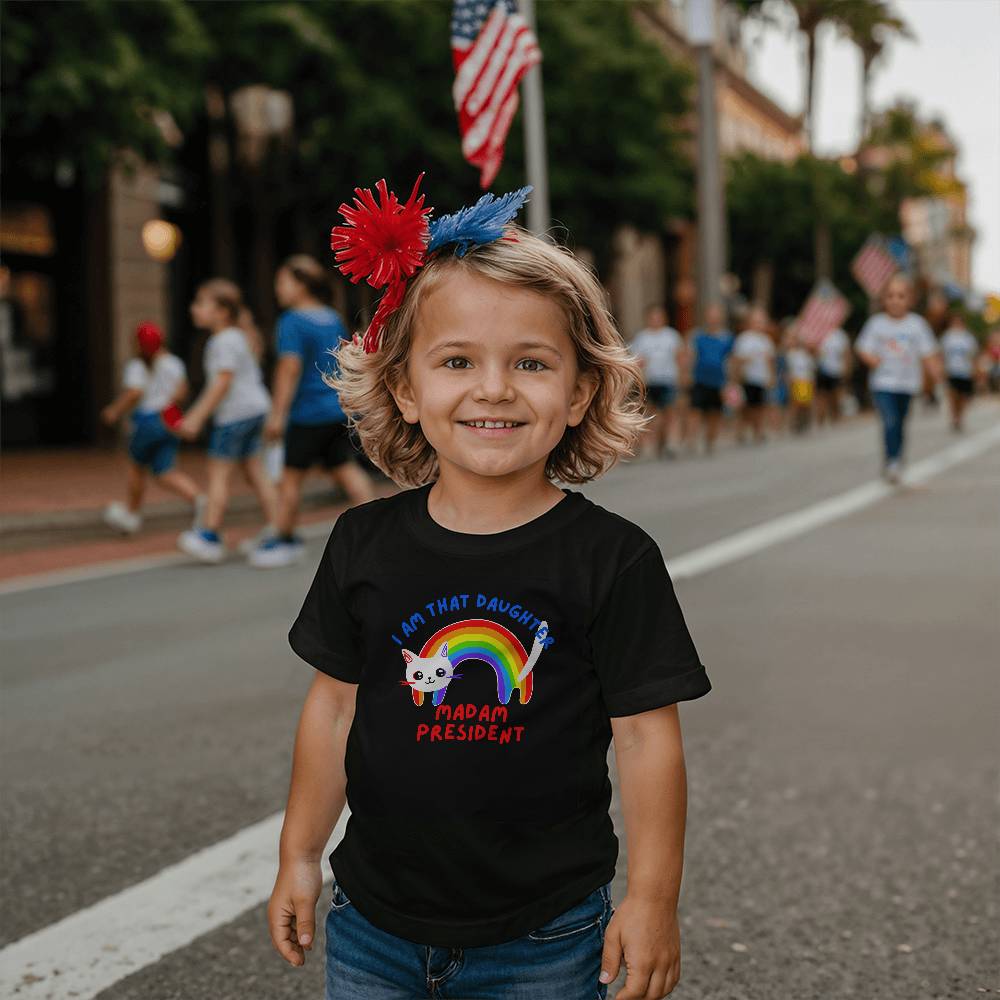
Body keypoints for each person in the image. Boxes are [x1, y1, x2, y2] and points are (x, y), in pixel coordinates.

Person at [266, 179, 712, 1000]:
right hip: (373, 924)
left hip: (543, 932)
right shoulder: (363, 542)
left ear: (580, 392)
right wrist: (299, 854)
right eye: (458, 361)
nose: (495, 388)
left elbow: (649, 742)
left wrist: (652, 901)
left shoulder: (613, 559)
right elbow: (333, 708)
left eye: (532, 363)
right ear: (405, 386)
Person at [250, 256, 377, 568]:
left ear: (301, 285)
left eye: (282, 282)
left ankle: (283, 538)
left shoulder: (292, 321)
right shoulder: (331, 318)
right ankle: (380, 530)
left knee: (290, 479)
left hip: (306, 414)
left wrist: (278, 414)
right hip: (335, 409)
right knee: (346, 471)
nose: (278, 289)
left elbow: (289, 368)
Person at [176, 279, 277, 562]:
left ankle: (209, 534)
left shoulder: (223, 341)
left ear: (221, 311)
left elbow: (222, 382)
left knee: (218, 474)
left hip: (235, 415)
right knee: (255, 471)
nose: (193, 309)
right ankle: (277, 528)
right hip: (254, 409)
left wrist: (195, 417)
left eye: (200, 303)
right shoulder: (235, 337)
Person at [101, 321, 203, 535]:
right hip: (169, 420)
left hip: (147, 421)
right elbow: (182, 392)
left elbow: (134, 393)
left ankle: (132, 514)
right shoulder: (174, 363)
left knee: (136, 468)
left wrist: (114, 411)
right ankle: (200, 500)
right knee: (165, 471)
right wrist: (168, 403)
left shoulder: (137, 365)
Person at [855, 275, 941, 484]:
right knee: (890, 420)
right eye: (890, 295)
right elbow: (862, 347)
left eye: (901, 296)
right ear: (884, 299)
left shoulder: (917, 325)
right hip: (883, 383)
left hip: (907, 384)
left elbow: (928, 353)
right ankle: (892, 461)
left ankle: (896, 456)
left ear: (910, 300)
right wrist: (872, 359)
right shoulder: (876, 324)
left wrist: (936, 376)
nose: (895, 300)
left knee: (900, 423)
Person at [630, 305, 685, 459]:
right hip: (650, 381)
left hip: (668, 380)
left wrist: (682, 377)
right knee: (649, 414)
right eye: (652, 316)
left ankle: (669, 442)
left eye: (658, 316)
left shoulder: (671, 336)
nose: (655, 319)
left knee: (669, 413)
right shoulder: (642, 338)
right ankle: (643, 444)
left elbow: (680, 357)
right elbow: (636, 361)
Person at [683, 303, 734, 455]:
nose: (713, 319)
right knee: (695, 410)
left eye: (716, 316)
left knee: (714, 412)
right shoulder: (697, 336)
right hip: (700, 379)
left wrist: (730, 381)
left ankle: (710, 441)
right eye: (711, 316)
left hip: (718, 380)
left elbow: (730, 360)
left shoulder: (726, 338)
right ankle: (691, 441)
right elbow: (691, 355)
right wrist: (686, 373)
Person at [731, 305, 774, 445]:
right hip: (747, 378)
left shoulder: (766, 341)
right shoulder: (744, 339)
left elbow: (770, 361)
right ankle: (741, 431)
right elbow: (736, 360)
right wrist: (736, 377)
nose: (759, 324)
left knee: (759, 406)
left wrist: (771, 377)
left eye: (762, 321)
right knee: (746, 407)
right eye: (757, 321)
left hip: (760, 378)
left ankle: (758, 431)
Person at [939, 311, 979, 433]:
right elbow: (941, 354)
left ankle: (960, 416)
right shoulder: (947, 337)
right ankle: (954, 417)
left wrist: (974, 370)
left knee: (962, 397)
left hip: (965, 371)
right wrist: (942, 369)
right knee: (953, 396)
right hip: (951, 371)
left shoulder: (968, 338)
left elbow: (973, 355)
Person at [814, 325, 852, 426]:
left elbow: (846, 353)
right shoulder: (818, 332)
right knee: (821, 395)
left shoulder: (840, 335)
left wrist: (846, 369)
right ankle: (820, 419)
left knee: (835, 395)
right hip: (821, 370)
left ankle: (835, 416)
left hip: (836, 371)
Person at [786, 326, 816, 435]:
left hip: (806, 381)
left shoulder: (807, 355)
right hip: (796, 382)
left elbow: (811, 370)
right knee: (796, 405)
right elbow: (789, 370)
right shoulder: (791, 354)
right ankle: (794, 424)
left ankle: (805, 423)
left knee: (806, 405)